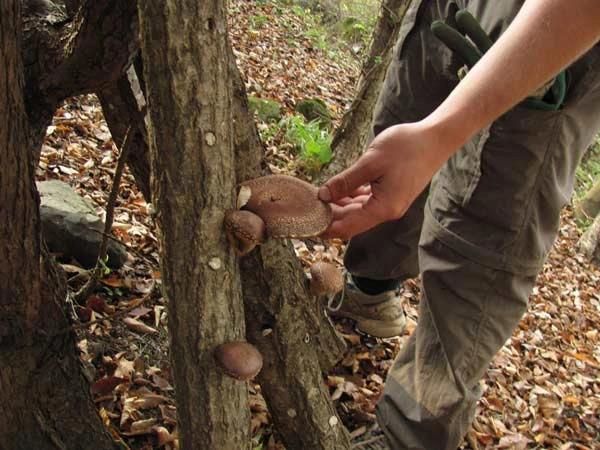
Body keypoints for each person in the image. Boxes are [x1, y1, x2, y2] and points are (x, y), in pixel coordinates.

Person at [318, 1, 600, 449]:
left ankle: (407, 436)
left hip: (557, 30)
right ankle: (370, 293)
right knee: (400, 126)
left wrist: (442, 134)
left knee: (487, 217)